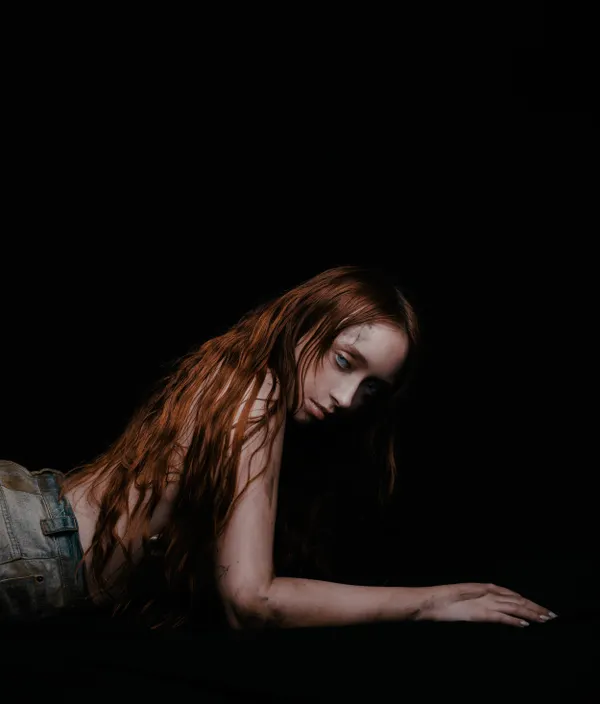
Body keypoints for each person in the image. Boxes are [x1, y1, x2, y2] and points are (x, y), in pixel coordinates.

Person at [0, 265, 557, 629]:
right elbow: (251, 601)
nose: (346, 398)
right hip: (25, 538)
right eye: (344, 361)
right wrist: (429, 602)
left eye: (371, 389)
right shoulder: (255, 395)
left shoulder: (242, 377)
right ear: (307, 323)